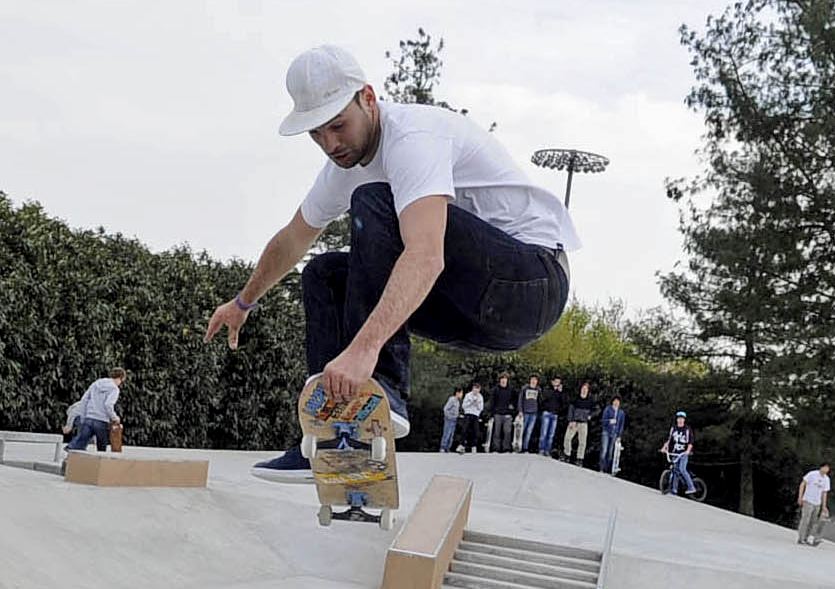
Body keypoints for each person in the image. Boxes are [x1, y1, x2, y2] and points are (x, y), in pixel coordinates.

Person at [204, 45, 578, 482]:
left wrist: (365, 352)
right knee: (323, 274)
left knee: (375, 201)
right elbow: (293, 238)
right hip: (469, 306)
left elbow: (425, 253)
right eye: (317, 135)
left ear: (367, 97)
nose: (331, 145)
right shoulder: (342, 168)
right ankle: (331, 434)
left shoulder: (415, 139)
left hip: (532, 285)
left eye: (338, 127)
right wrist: (243, 303)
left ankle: (380, 389)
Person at [66, 368, 125, 452]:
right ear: (120, 378)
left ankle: (70, 460)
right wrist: (114, 417)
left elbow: (85, 399)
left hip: (89, 418)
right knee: (101, 449)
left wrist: (83, 416)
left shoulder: (96, 383)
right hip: (102, 421)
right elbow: (108, 405)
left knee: (79, 444)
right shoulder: (114, 389)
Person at [660, 411, 696, 497]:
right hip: (675, 452)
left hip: (683, 453)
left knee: (682, 469)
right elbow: (669, 440)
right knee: (675, 469)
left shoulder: (687, 429)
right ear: (677, 419)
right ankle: (674, 489)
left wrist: (688, 450)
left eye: (682, 419)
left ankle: (691, 487)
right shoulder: (674, 429)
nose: (680, 420)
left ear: (684, 420)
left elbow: (690, 442)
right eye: (679, 418)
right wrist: (664, 448)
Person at [562, 382, 598, 465]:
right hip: (574, 422)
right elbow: (570, 410)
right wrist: (570, 420)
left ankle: (579, 459)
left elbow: (597, 410)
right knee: (567, 438)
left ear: (588, 391)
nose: (584, 390)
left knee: (582, 442)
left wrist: (590, 416)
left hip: (584, 424)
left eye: (586, 389)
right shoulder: (575, 399)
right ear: (581, 389)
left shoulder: (590, 401)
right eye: (583, 388)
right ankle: (567, 455)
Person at [796, 462, 832, 546]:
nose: (826, 470)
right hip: (808, 500)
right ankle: (801, 538)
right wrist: (800, 497)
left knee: (812, 521)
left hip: (817, 503)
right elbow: (803, 484)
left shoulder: (826, 479)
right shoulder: (812, 474)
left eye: (828, 468)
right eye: (825, 467)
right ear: (821, 467)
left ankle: (806, 537)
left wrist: (824, 506)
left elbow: (824, 493)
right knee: (806, 519)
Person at [489, 373, 518, 453]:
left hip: (508, 414)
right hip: (497, 413)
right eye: (502, 378)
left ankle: (506, 448)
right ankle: (496, 448)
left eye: (505, 378)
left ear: (507, 380)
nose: (503, 380)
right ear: (500, 380)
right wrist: (492, 413)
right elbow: (492, 402)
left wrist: (513, 412)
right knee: (496, 432)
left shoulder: (512, 390)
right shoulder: (495, 389)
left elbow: (515, 402)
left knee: (507, 432)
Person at [538, 377, 565, 456]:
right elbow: (544, 398)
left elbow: (563, 403)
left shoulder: (560, 392)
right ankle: (541, 449)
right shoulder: (547, 389)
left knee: (551, 434)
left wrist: (560, 393)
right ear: (552, 382)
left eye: (559, 382)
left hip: (555, 414)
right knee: (544, 433)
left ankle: (547, 450)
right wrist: (554, 390)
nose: (557, 383)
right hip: (546, 413)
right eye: (556, 382)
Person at [599, 397, 626, 474]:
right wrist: (609, 421)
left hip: (615, 433)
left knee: (611, 452)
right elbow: (603, 420)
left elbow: (621, 425)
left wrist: (619, 436)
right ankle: (601, 468)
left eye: (618, 402)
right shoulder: (608, 409)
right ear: (612, 402)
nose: (616, 403)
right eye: (615, 401)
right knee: (604, 449)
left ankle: (607, 469)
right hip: (606, 431)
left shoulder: (621, 413)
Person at [516, 375, 541, 453]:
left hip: (533, 413)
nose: (533, 381)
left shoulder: (538, 390)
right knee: (521, 431)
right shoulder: (524, 389)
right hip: (525, 412)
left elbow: (540, 401)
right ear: (530, 380)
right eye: (532, 380)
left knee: (529, 431)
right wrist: (520, 410)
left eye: (535, 380)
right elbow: (520, 400)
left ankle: (525, 447)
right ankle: (518, 446)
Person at [459, 382, 484, 453]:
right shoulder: (468, 395)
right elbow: (464, 405)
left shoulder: (480, 397)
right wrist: (471, 402)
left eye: (478, 389)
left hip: (476, 415)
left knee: (475, 431)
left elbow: (481, 408)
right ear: (473, 389)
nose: (476, 391)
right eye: (475, 389)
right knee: (465, 429)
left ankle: (474, 446)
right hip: (468, 414)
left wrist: (477, 404)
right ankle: (461, 445)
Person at [440, 387, 464, 452]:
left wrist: (458, 415)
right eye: (461, 393)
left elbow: (455, 411)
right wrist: (449, 416)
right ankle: (443, 447)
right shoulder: (452, 400)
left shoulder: (458, 402)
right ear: (457, 393)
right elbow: (446, 409)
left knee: (451, 435)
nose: (462, 395)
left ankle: (448, 448)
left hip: (454, 420)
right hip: (449, 419)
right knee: (447, 433)